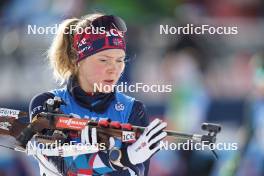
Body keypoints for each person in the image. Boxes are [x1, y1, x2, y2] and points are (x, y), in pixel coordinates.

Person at [29, 13, 167, 176]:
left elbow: (137, 172)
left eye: (120, 60)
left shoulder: (133, 109)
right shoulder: (47, 102)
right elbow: (63, 166)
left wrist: (118, 159)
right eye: (104, 60)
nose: (113, 69)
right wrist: (124, 157)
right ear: (77, 59)